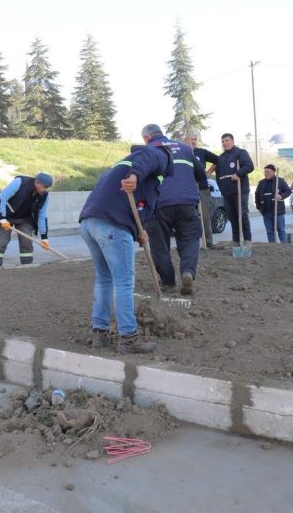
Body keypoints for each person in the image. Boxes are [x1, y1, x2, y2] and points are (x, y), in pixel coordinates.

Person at [79, 139, 173, 352]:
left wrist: (140, 230)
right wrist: (135, 176)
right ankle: (129, 338)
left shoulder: (123, 164)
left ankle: (99, 334)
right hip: (112, 224)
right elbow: (149, 157)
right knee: (123, 282)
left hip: (89, 222)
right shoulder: (160, 155)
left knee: (104, 279)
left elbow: (140, 205)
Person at [142, 124, 205, 295]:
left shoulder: (147, 150)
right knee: (190, 239)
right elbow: (201, 173)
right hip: (187, 202)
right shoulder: (185, 148)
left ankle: (168, 283)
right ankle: (187, 272)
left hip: (158, 204)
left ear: (147, 138)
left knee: (159, 245)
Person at [0, 172, 52, 268]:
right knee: (1, 242)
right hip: (6, 216)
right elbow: (2, 198)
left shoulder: (44, 196)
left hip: (24, 218)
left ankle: (27, 268)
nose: (46, 190)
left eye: (47, 187)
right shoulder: (20, 182)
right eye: (45, 187)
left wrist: (44, 237)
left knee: (27, 243)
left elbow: (42, 216)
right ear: (37, 183)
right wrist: (2, 219)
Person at [213, 133, 254, 245]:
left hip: (240, 190)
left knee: (242, 214)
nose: (224, 143)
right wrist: (221, 188)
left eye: (227, 140)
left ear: (232, 141)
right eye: (223, 141)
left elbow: (249, 166)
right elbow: (218, 176)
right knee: (232, 216)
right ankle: (236, 240)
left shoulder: (240, 153)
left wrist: (238, 173)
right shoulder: (220, 158)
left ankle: (247, 239)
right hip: (226, 192)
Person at [185, 132, 219, 248]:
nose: (193, 141)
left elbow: (218, 160)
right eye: (191, 139)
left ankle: (208, 242)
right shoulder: (181, 152)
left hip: (202, 188)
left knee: (205, 216)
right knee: (188, 217)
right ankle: (191, 243)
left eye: (195, 139)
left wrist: (208, 172)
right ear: (185, 140)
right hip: (187, 189)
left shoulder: (202, 152)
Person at [255, 164, 291, 243]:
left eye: (268, 172)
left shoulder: (280, 181)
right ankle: (272, 247)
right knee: (269, 231)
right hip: (266, 212)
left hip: (278, 211)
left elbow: (288, 191)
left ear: (273, 172)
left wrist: (280, 196)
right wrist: (259, 207)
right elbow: (257, 195)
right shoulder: (261, 183)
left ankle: (284, 246)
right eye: (265, 172)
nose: (266, 174)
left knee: (281, 230)